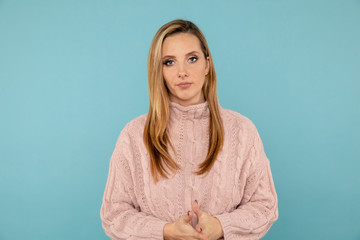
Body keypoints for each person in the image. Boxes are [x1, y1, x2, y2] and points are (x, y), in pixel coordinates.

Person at [100, 19, 278, 240]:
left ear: (207, 64)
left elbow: (264, 206)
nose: (182, 72)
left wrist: (222, 226)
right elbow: (113, 214)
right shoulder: (134, 135)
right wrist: (164, 232)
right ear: (159, 70)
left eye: (192, 59)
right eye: (169, 62)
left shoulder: (241, 131)